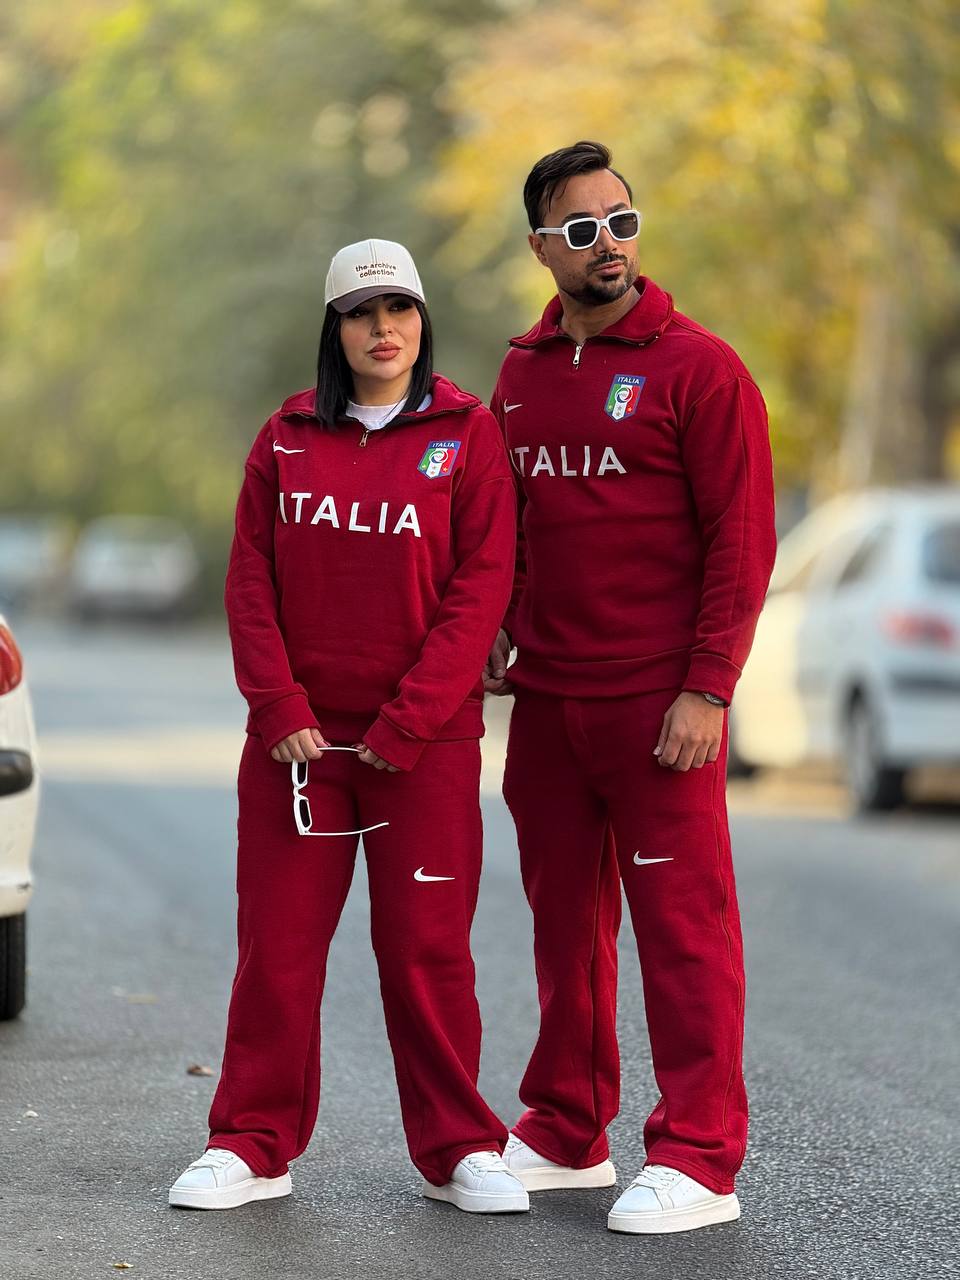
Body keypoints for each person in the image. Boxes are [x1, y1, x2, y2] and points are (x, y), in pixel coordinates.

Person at [169, 239, 527, 1215]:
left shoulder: (468, 434)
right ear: (335, 329)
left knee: (427, 955)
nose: (383, 329)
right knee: (278, 954)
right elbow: (250, 582)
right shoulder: (286, 436)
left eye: (399, 309)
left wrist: (410, 721)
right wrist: (279, 707)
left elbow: (481, 588)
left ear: (421, 319)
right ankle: (251, 1143)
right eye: (362, 313)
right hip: (298, 752)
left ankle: (461, 1148)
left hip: (424, 749)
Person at [485, 142, 777, 1234]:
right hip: (550, 704)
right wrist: (499, 625)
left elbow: (741, 543)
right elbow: (514, 527)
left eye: (621, 220)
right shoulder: (520, 374)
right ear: (541, 248)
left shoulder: (701, 370)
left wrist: (709, 688)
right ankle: (567, 1129)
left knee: (683, 930)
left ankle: (700, 1155)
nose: (606, 243)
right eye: (580, 229)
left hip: (661, 706)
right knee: (563, 926)